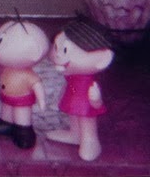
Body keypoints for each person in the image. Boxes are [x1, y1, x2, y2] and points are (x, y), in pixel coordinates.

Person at [45, 16, 114, 161]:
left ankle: (90, 140)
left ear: (103, 59)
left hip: (85, 103)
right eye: (57, 48)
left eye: (64, 50)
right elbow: (67, 81)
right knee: (73, 115)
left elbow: (98, 104)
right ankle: (75, 134)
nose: (57, 54)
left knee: (86, 119)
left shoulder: (91, 83)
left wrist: (96, 100)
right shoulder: (71, 76)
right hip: (73, 96)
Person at [0, 17, 49, 148]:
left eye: (0, 41)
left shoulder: (28, 75)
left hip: (22, 101)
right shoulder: (6, 67)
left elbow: (37, 85)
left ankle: (24, 130)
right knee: (7, 112)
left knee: (22, 115)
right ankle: (6, 123)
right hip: (6, 98)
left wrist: (42, 101)